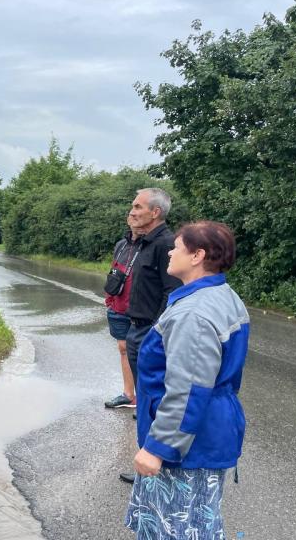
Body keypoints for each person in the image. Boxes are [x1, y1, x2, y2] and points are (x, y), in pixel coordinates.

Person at [125, 221, 248, 539]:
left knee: (175, 528)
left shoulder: (193, 313)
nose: (170, 251)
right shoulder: (220, 293)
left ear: (198, 256)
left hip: (188, 443)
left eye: (177, 246)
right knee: (198, 522)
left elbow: (187, 390)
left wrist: (158, 447)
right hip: (206, 430)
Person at [119, 188, 182, 484]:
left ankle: (155, 465)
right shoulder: (143, 242)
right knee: (145, 402)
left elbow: (172, 294)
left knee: (153, 400)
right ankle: (148, 462)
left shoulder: (165, 244)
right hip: (137, 328)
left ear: (155, 212)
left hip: (150, 332)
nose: (132, 211)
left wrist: (157, 334)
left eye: (137, 207)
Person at [103, 223, 139, 410]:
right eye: (131, 214)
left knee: (143, 351)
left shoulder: (154, 245)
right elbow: (114, 272)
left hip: (142, 308)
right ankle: (128, 395)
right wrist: (110, 297)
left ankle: (147, 399)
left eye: (137, 211)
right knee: (123, 348)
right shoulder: (121, 245)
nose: (133, 217)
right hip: (119, 304)